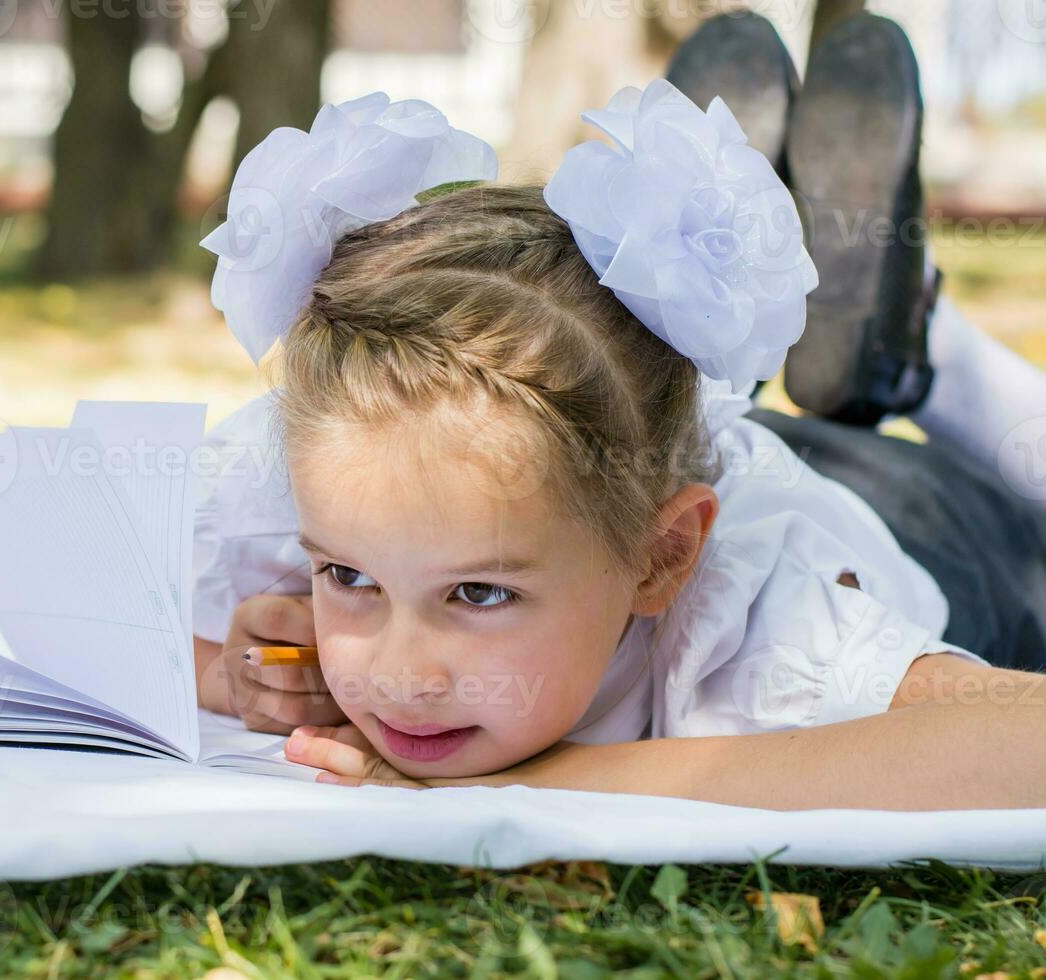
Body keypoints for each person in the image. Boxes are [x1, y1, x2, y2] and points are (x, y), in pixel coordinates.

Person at [190, 14, 1046, 808]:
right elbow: (83, 622)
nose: (401, 675)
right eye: (348, 579)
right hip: (655, 464)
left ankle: (926, 354)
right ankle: (757, 322)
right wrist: (242, 676)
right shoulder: (355, 480)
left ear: (660, 560)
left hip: (934, 523)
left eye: (480, 593)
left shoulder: (762, 635)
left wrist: (545, 779)